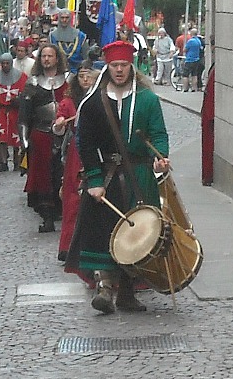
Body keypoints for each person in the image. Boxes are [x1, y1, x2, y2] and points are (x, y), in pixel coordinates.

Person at [66, 41, 170, 315]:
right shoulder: (93, 104)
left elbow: (158, 134)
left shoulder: (147, 100)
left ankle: (126, 292)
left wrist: (161, 157)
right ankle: (104, 288)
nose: (120, 70)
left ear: (131, 68)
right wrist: (94, 180)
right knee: (104, 231)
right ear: (108, 68)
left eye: (124, 65)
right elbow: (85, 143)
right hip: (107, 176)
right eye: (115, 66)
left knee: (136, 234)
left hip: (139, 175)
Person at [21, 42, 70, 233]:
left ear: (57, 58)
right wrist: (25, 142)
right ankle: (47, 217)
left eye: (50, 56)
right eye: (43, 56)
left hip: (66, 136)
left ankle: (64, 212)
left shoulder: (69, 81)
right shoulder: (32, 84)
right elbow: (24, 117)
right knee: (43, 178)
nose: (47, 59)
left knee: (64, 175)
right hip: (41, 136)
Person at [52, 66, 94, 262]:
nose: (85, 80)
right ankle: (68, 246)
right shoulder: (69, 102)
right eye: (82, 76)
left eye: (89, 76)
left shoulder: (100, 98)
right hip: (76, 153)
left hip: (98, 150)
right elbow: (59, 124)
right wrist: (60, 123)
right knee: (72, 199)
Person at [0, 52, 27, 172]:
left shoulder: (22, 77)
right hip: (2, 111)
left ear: (11, 63)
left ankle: (16, 162)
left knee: (16, 138)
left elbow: (26, 93)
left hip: (16, 111)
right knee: (1, 138)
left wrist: (20, 100)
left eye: (7, 63)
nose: (5, 66)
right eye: (3, 63)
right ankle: (3, 162)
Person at [48, 9, 90, 73]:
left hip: (77, 72)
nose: (64, 20)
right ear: (59, 18)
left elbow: (86, 57)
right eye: (62, 18)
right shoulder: (52, 36)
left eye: (67, 18)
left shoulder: (81, 36)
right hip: (57, 72)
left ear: (70, 18)